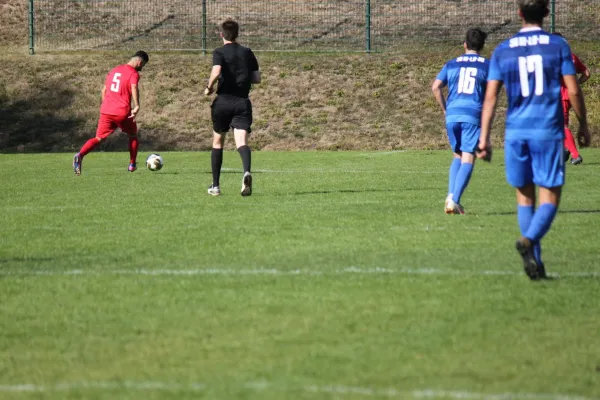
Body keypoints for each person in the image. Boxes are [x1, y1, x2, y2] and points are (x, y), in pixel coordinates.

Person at [477, 0, 591, 280]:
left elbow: (491, 96)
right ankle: (527, 242)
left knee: (524, 197)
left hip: (516, 131)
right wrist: (584, 123)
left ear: (519, 14)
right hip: (547, 129)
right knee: (549, 196)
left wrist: (484, 138)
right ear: (546, 14)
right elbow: (574, 90)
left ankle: (535, 266)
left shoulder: (503, 49)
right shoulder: (557, 45)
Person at [432, 28, 489, 215]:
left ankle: (451, 196)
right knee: (468, 157)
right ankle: (455, 200)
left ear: (465, 44)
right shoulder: (487, 65)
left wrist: (444, 109)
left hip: (453, 115)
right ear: (482, 46)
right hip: (472, 114)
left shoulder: (452, 64)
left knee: (457, 155)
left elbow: (436, 87)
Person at [205, 20, 261, 196]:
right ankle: (246, 172)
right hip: (242, 102)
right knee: (241, 142)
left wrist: (209, 87)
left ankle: (215, 186)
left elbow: (216, 72)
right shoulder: (247, 52)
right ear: (237, 33)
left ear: (222, 34)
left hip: (223, 102)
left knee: (218, 142)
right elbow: (257, 78)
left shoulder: (219, 52)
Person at [73, 51, 149, 175]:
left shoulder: (114, 70)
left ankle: (80, 155)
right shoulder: (133, 73)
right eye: (143, 65)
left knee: (98, 138)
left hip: (106, 111)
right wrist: (137, 106)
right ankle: (132, 164)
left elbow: (104, 90)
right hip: (122, 112)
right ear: (139, 62)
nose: (142, 68)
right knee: (133, 135)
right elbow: (134, 87)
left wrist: (107, 105)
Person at [554, 33, 591, 165]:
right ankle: (565, 149)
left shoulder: (555, 57)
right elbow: (586, 73)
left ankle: (575, 155)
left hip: (560, 95)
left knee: (561, 126)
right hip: (571, 95)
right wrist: (576, 84)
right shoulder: (572, 55)